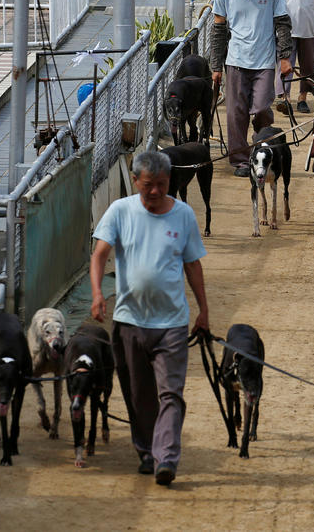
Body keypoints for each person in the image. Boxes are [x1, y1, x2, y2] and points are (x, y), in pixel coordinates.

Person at [90, 151, 210, 485]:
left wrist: (203, 309)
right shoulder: (119, 211)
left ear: (169, 182)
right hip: (129, 322)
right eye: (147, 186)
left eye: (161, 185)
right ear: (135, 181)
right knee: (138, 393)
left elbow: (193, 265)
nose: (155, 192)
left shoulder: (183, 216)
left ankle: (166, 458)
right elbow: (99, 255)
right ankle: (146, 450)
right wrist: (98, 294)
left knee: (171, 394)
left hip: (171, 324)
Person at [211, 0, 293, 177]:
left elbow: (283, 24)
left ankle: (261, 146)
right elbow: (218, 31)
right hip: (236, 60)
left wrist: (285, 57)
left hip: (265, 61)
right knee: (236, 112)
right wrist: (216, 67)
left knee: (262, 108)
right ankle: (240, 161)